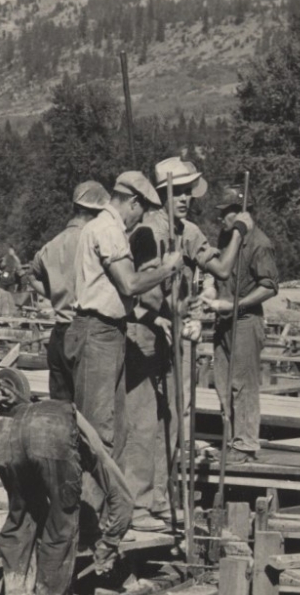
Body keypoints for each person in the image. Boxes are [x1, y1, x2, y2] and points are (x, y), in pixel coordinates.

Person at [120, 158, 246, 531]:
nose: (186, 199)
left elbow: (221, 268)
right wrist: (172, 310)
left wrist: (239, 231)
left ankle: (158, 498)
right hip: (146, 331)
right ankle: (138, 504)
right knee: (144, 420)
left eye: (190, 192)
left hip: (176, 332)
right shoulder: (146, 232)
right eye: (179, 192)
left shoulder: (188, 231)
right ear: (162, 193)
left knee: (174, 417)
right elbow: (144, 293)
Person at [0, 392, 132, 595]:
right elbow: (122, 497)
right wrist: (109, 545)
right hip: (49, 435)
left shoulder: (52, 415)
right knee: (62, 520)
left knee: (21, 513)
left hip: (3, 436)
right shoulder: (86, 439)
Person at [63, 172, 182, 460]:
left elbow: (116, 295)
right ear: (132, 202)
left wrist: (150, 317)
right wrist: (167, 269)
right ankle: (91, 490)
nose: (139, 221)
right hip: (98, 334)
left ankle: (109, 489)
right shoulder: (108, 230)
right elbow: (129, 284)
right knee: (97, 431)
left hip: (107, 331)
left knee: (115, 429)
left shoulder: (104, 227)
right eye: (141, 212)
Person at [200, 186, 278, 463]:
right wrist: (210, 287)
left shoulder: (259, 243)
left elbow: (269, 286)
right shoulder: (227, 237)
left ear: (242, 212)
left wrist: (235, 305)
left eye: (225, 213)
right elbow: (218, 269)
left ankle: (245, 445)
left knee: (243, 384)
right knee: (223, 383)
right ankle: (231, 440)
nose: (220, 218)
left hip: (245, 320)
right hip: (223, 321)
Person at [28, 180, 111, 401]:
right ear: (97, 212)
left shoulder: (52, 245)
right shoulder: (95, 241)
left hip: (59, 333)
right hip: (85, 334)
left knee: (60, 410)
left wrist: (55, 293)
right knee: (90, 408)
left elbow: (31, 276)